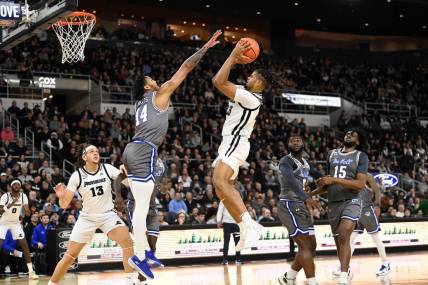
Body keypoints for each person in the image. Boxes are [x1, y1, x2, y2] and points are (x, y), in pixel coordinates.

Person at [121, 30, 222, 279]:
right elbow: (185, 67)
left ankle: (144, 254)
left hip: (138, 149)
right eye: (152, 79)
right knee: (142, 208)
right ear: (147, 86)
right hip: (143, 150)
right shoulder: (159, 93)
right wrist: (206, 47)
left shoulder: (139, 103)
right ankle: (139, 256)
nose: (157, 80)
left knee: (144, 205)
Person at [211, 39, 273, 251]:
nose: (248, 76)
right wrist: (235, 59)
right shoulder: (246, 92)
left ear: (260, 83)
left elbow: (217, 82)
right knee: (221, 189)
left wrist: (233, 56)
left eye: (253, 76)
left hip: (235, 142)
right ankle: (244, 226)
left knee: (219, 180)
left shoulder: (251, 98)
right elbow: (221, 80)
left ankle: (250, 224)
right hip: (229, 143)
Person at [48, 144, 136, 285]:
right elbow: (64, 205)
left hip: (108, 215)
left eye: (97, 151)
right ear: (84, 157)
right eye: (91, 152)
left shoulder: (107, 168)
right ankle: (51, 283)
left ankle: (130, 281)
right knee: (70, 256)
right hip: (87, 218)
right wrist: (60, 196)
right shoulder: (77, 176)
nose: (95, 153)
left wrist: (127, 173)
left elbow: (126, 182)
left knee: (128, 242)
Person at [311, 129, 369, 285]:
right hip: (333, 203)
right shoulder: (331, 154)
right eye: (347, 132)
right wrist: (310, 194)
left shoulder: (360, 156)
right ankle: (346, 270)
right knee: (339, 242)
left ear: (358, 141)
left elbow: (360, 184)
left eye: (353, 134)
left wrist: (334, 180)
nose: (348, 134)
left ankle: (343, 277)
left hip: (352, 200)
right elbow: (328, 183)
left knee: (344, 234)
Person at [276, 136, 319, 285]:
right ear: (287, 145)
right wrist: (305, 196)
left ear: (303, 144)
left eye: (298, 140)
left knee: (312, 246)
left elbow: (313, 178)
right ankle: (313, 282)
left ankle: (289, 276)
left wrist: (328, 181)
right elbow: (289, 179)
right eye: (292, 141)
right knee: (304, 246)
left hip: (301, 206)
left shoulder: (306, 163)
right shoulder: (285, 161)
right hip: (289, 204)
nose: (295, 142)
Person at [116, 158, 166, 285]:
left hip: (152, 207)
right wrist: (118, 196)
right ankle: (134, 279)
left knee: (152, 246)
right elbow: (118, 179)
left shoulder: (161, 164)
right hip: (135, 205)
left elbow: (164, 186)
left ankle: (141, 279)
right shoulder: (136, 160)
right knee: (141, 244)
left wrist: (163, 188)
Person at [333, 173, 391, 277]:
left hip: (367, 210)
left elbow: (377, 191)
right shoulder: (348, 176)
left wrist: (377, 205)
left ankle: (385, 264)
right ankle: (345, 267)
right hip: (355, 210)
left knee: (375, 238)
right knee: (350, 240)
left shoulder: (367, 175)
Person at [0, 179, 38, 279]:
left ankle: (31, 272)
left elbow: (28, 213)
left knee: (25, 245)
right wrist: (12, 204)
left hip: (15, 223)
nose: (17, 185)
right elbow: (0, 211)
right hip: (3, 223)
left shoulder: (23, 196)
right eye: (15, 184)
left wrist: (27, 210)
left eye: (19, 184)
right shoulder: (5, 196)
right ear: (11, 186)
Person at [217, 199, 242, 266]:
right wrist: (218, 220)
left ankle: (238, 259)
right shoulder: (223, 200)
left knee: (237, 241)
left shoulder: (237, 198)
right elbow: (220, 210)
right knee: (226, 241)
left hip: (236, 222)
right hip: (226, 223)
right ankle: (225, 259)